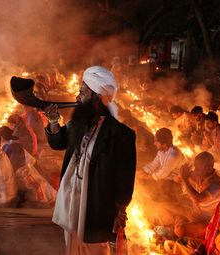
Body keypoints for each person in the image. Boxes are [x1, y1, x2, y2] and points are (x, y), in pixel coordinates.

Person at [44, 66, 136, 254]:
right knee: (71, 245)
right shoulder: (79, 122)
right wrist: (54, 121)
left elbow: (125, 178)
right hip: (71, 199)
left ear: (96, 97)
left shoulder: (121, 134)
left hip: (96, 203)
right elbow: (59, 142)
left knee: (94, 248)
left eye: (82, 92)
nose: (77, 97)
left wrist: (120, 209)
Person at [171, 189, 220, 255]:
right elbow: (207, 240)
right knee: (181, 242)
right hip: (210, 248)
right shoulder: (219, 217)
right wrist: (197, 252)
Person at [174, 152, 220, 238]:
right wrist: (181, 174)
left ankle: (183, 228)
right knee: (165, 207)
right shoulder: (201, 174)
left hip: (207, 222)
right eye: (195, 168)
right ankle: (181, 225)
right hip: (194, 214)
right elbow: (177, 179)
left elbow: (197, 199)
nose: (195, 171)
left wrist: (185, 179)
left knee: (180, 230)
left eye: (197, 169)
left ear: (209, 169)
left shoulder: (217, 185)